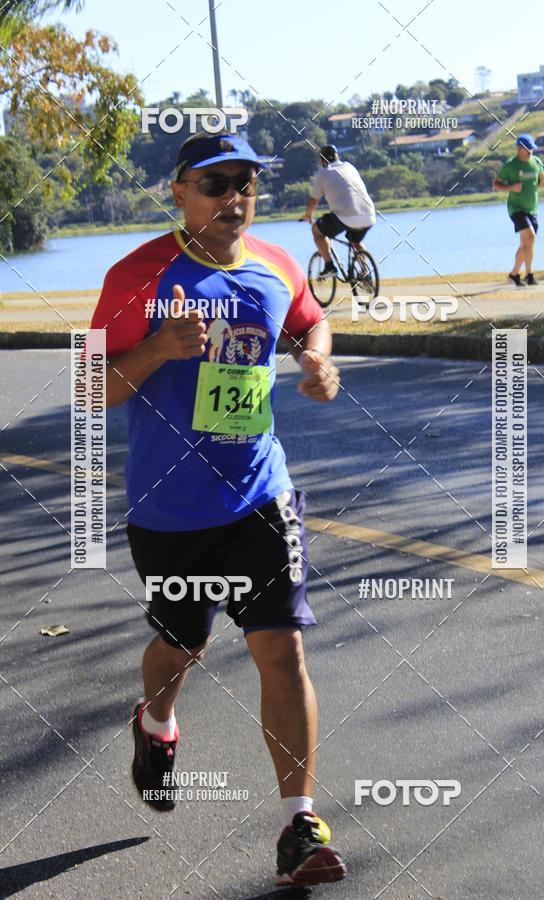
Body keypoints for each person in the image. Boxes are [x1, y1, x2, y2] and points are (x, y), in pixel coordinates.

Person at [91, 132, 346, 888]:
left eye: (247, 183)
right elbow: (88, 389)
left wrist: (316, 358)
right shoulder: (138, 275)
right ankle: (156, 721)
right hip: (171, 509)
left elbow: (308, 319)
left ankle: (300, 823)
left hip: (262, 493)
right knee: (181, 650)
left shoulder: (275, 264)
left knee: (282, 648)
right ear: (179, 191)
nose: (234, 197)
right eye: (215, 183)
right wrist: (159, 350)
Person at [301, 144, 376, 275]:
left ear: (322, 160)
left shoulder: (323, 173)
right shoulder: (350, 167)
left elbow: (313, 200)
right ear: (337, 157)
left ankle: (329, 266)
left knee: (317, 231)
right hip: (369, 215)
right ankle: (365, 273)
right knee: (356, 241)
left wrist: (308, 215)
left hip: (345, 217)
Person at [493, 133, 544, 287]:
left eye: (532, 148)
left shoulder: (537, 162)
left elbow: (540, 182)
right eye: (527, 148)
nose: (530, 151)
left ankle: (521, 275)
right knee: (531, 236)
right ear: (519, 148)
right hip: (516, 208)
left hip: (532, 208)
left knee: (527, 243)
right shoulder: (510, 165)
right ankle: (521, 274)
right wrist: (511, 187)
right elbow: (496, 184)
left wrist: (543, 181)